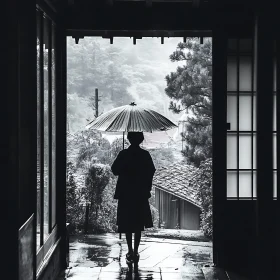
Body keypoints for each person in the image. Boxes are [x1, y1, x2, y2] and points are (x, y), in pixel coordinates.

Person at [111, 131, 156, 266]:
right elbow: (151, 171)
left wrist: (125, 166)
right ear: (141, 140)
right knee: (138, 224)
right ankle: (136, 251)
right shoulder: (145, 155)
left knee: (127, 223)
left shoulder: (124, 154)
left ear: (129, 139)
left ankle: (130, 250)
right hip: (140, 193)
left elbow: (114, 170)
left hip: (125, 193)